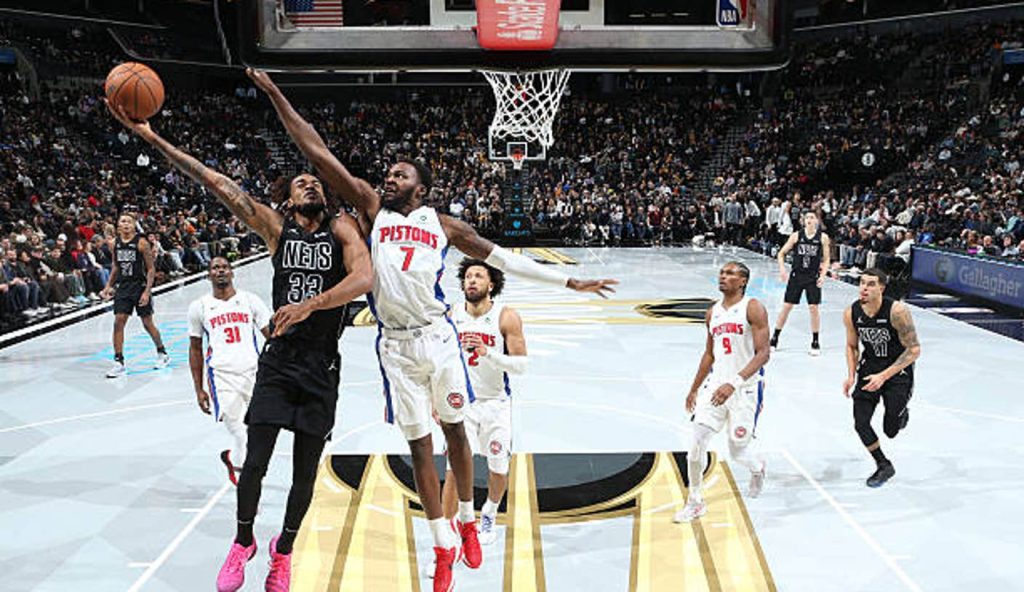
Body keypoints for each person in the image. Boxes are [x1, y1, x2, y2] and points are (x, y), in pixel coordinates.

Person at [247, 67, 616, 592]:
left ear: (421, 188)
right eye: (388, 174)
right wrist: (276, 94)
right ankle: (443, 543)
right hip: (395, 346)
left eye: (399, 175)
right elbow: (318, 153)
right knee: (420, 448)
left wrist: (569, 281)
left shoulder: (443, 226)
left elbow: (505, 257)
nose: (387, 179)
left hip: (438, 337)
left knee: (456, 434)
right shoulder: (370, 210)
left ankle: (466, 518)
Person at [106, 100, 373, 592]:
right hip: (279, 361)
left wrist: (312, 305)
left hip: (322, 364)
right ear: (288, 203)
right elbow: (213, 180)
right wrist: (151, 138)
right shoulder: (277, 229)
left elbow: (364, 276)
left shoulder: (342, 229)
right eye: (300, 184)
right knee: (256, 460)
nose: (311, 183)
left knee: (305, 473)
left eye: (314, 181)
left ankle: (284, 552)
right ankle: (243, 542)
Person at [675, 261, 770, 523]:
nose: (723, 276)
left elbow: (764, 354)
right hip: (715, 388)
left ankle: (758, 467)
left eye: (730, 273)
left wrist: (734, 383)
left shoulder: (753, 307)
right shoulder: (712, 312)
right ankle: (695, 502)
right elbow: (709, 354)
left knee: (738, 450)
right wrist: (693, 389)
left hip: (745, 390)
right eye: (722, 272)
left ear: (743, 281)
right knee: (695, 446)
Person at [441, 258, 525, 545]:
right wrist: (436, 400)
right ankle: (447, 541)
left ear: (491, 284)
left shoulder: (506, 316)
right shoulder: (451, 315)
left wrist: (488, 353)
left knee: (498, 468)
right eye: (467, 276)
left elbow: (521, 366)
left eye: (478, 276)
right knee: (454, 470)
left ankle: (489, 511)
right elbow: (440, 361)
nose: (472, 280)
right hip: (462, 405)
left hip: (496, 403)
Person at [188, 256, 272, 485]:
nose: (220, 270)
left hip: (253, 373)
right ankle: (247, 487)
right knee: (241, 433)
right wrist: (199, 389)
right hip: (222, 377)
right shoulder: (200, 307)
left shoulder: (250, 301)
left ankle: (232, 459)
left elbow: (272, 336)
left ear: (232, 272)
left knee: (256, 434)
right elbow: (195, 349)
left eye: (225, 267)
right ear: (209, 275)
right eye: (215, 268)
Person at [842, 268, 920, 488]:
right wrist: (850, 375)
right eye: (862, 283)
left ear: (882, 288)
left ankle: (901, 413)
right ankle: (883, 464)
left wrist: (884, 376)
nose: (864, 288)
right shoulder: (851, 312)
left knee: (891, 430)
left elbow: (914, 350)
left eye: (870, 284)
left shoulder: (897, 311)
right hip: (870, 368)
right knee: (861, 423)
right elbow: (851, 345)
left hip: (898, 371)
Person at [100, 213, 170, 377]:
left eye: (129, 222)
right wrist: (108, 286)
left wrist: (147, 291)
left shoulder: (141, 243)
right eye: (122, 221)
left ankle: (162, 352)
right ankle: (119, 361)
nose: (125, 224)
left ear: (133, 225)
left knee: (147, 323)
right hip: (123, 287)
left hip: (140, 286)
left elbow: (151, 269)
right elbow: (116, 266)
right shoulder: (114, 244)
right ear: (118, 225)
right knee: (118, 322)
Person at [771, 211, 831, 356]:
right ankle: (775, 337)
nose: (809, 220)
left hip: (812, 277)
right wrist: (782, 269)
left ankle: (815, 341)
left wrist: (823, 276)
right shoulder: (796, 235)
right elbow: (781, 253)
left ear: (816, 221)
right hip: (796, 276)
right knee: (786, 307)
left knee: (814, 308)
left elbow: (827, 259)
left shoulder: (823, 238)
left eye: (812, 217)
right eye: (807, 217)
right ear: (803, 221)